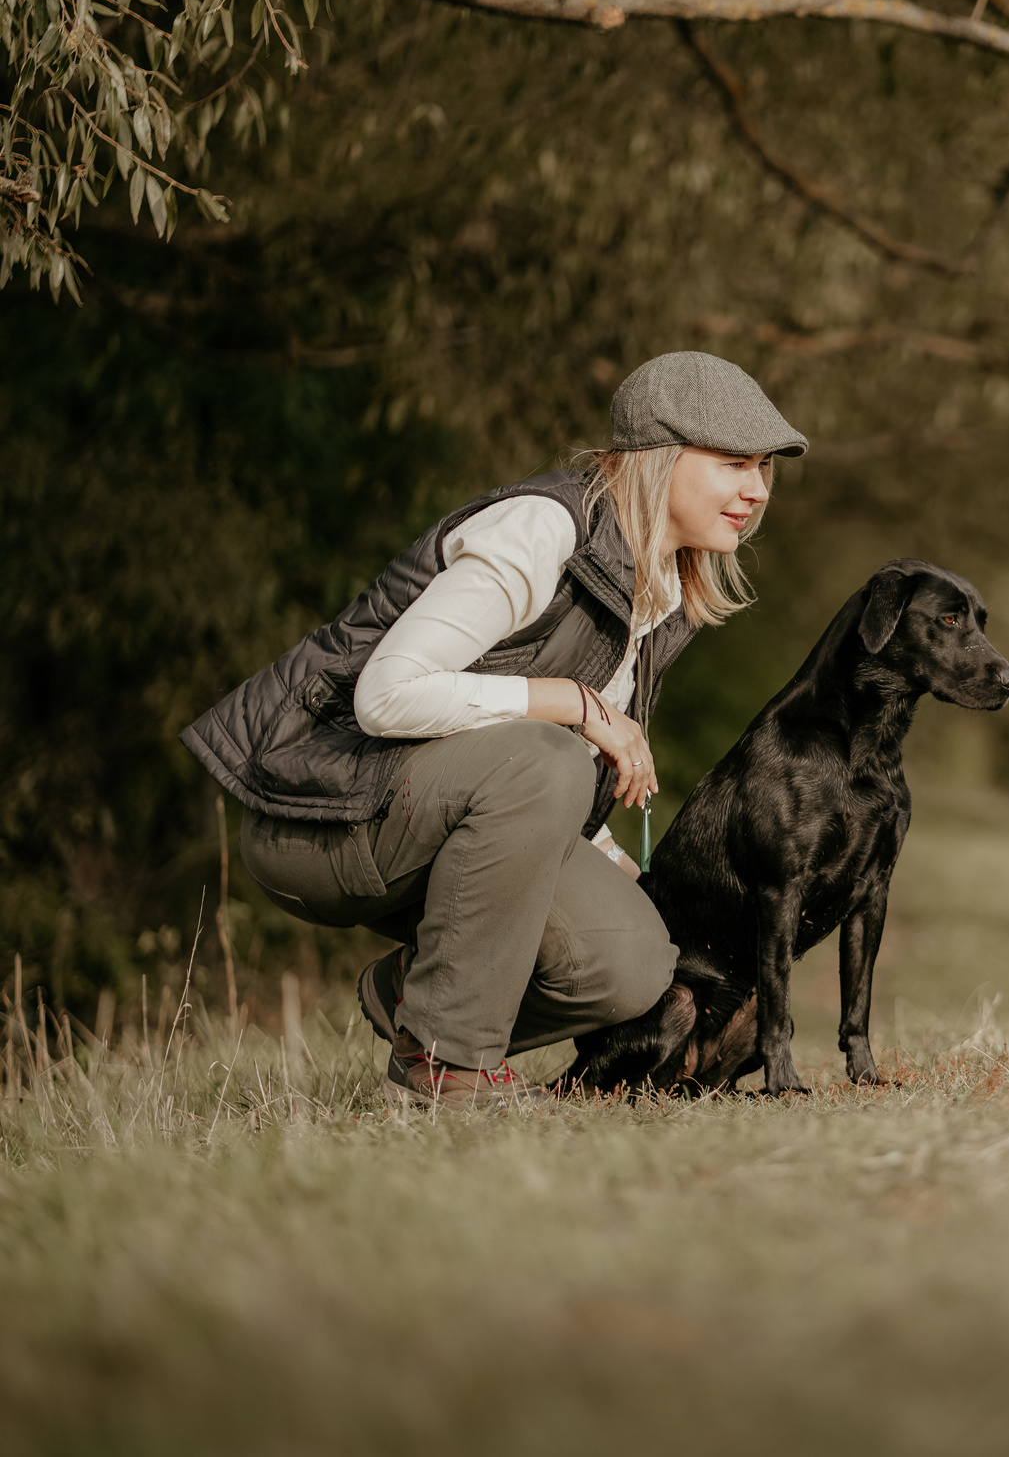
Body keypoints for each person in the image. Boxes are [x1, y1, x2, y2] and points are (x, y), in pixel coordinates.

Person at [181, 351, 808, 1108]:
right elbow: (389, 696)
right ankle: (447, 1067)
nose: (756, 489)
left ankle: (417, 1005)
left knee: (632, 965)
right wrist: (575, 703)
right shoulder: (541, 530)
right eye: (735, 463)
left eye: (764, 468)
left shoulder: (663, 584)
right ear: (660, 458)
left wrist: (612, 858)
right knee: (544, 756)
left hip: (436, 813)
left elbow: (534, 777)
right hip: (319, 817)